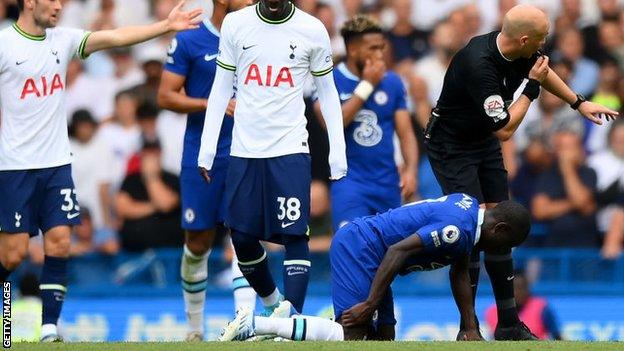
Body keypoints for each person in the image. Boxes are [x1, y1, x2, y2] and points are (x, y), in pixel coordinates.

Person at [0, 0, 202, 342]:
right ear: (30, 1)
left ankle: (49, 329)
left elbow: (117, 37)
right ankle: (4, 325)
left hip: (56, 164)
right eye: (52, 0)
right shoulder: (5, 45)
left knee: (60, 242)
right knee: (14, 254)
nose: (60, 6)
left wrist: (164, 27)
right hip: (14, 168)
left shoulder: (62, 40)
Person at [424, 4, 618, 340]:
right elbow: (505, 130)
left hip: (481, 141)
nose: (547, 43)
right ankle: (468, 328)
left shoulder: (523, 48)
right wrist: (530, 89)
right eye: (543, 37)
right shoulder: (478, 63)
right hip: (451, 146)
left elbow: (543, 70)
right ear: (525, 38)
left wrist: (578, 102)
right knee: (471, 227)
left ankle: (509, 324)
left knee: (503, 222)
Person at [197, 0, 347, 315]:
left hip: (290, 147)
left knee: (294, 235)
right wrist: (207, 148)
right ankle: (272, 304)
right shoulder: (236, 24)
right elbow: (221, 88)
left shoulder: (312, 29)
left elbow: (328, 92)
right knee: (241, 236)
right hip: (244, 150)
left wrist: (338, 153)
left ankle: (291, 319)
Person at [219, 194, 531, 341]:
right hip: (362, 247)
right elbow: (396, 250)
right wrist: (369, 303)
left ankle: (288, 321)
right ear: (499, 229)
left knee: (384, 339)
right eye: (507, 243)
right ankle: (257, 325)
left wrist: (470, 326)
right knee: (352, 335)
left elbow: (460, 271)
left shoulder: (467, 213)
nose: (502, 251)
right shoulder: (457, 230)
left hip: (376, 254)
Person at [157, 0, 257, 341]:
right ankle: (194, 329)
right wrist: (212, 104)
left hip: (248, 153)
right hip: (203, 154)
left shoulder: (261, 36)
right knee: (198, 241)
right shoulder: (189, 39)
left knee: (245, 237)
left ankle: (245, 326)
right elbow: (166, 96)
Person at [315, 15, 418, 232]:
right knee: (353, 243)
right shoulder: (330, 80)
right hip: (349, 183)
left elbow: (406, 134)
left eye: (381, 48)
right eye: (372, 48)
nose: (380, 55)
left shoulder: (392, 82)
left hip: (388, 183)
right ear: (353, 49)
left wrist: (411, 171)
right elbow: (332, 122)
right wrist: (367, 86)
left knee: (389, 254)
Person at [486, 270, 562, 340]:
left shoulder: (542, 308)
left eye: (521, 288)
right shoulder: (493, 311)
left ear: (528, 288)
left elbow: (557, 336)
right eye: (514, 288)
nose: (518, 292)